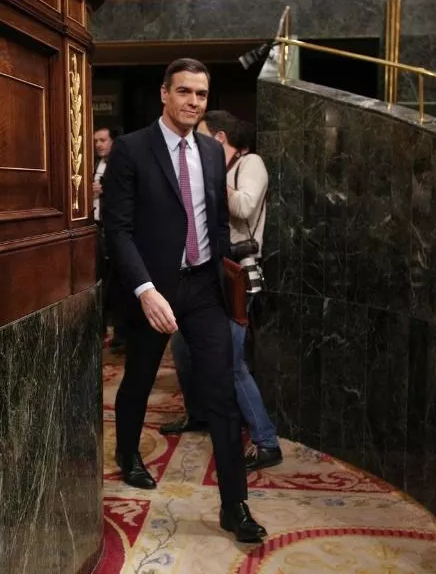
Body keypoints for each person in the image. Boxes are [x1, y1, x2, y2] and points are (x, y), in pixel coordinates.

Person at [101, 58, 267, 543]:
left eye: (201, 94)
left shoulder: (213, 153)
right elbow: (117, 230)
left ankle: (234, 505)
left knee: (221, 390)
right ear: (164, 94)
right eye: (184, 92)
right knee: (139, 378)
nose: (193, 102)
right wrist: (144, 289)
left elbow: (216, 219)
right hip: (153, 289)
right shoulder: (132, 149)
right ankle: (128, 453)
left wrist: (222, 270)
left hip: (202, 289)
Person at [162, 111, 283, 472]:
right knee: (182, 347)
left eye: (200, 136)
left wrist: (211, 178)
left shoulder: (250, 162)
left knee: (230, 362)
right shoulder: (213, 168)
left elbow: (244, 205)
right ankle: (199, 413)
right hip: (207, 275)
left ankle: (267, 441)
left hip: (237, 275)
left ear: (218, 138)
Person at [93, 126, 126, 350]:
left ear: (113, 141)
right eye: (96, 141)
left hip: (113, 230)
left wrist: (105, 188)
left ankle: (121, 335)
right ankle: (103, 330)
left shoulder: (120, 163)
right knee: (100, 282)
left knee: (117, 284)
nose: (98, 145)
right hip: (96, 228)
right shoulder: (94, 164)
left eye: (103, 140)